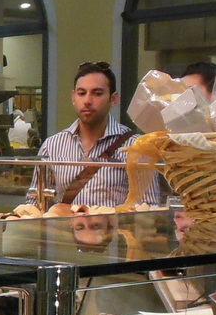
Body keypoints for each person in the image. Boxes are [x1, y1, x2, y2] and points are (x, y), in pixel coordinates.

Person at [26, 61, 163, 211]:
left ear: (113, 99)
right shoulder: (52, 146)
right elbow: (36, 204)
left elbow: (147, 208)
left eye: (97, 93)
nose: (87, 101)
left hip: (114, 226)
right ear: (73, 97)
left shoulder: (136, 147)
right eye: (81, 93)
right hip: (66, 226)